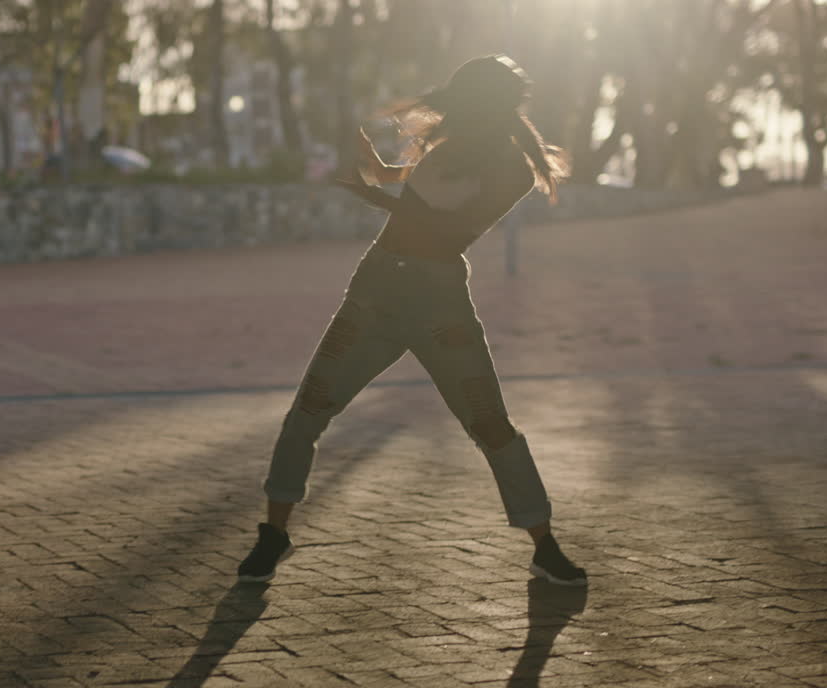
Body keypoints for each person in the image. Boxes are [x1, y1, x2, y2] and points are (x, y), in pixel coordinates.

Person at [237, 55, 587, 587]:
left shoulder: (512, 171)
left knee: (489, 423)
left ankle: (544, 545)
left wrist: (371, 195)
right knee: (309, 408)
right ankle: (274, 534)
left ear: (484, 106)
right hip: (374, 290)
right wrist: (360, 151)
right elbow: (393, 178)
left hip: (438, 303)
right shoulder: (447, 150)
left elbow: (448, 229)